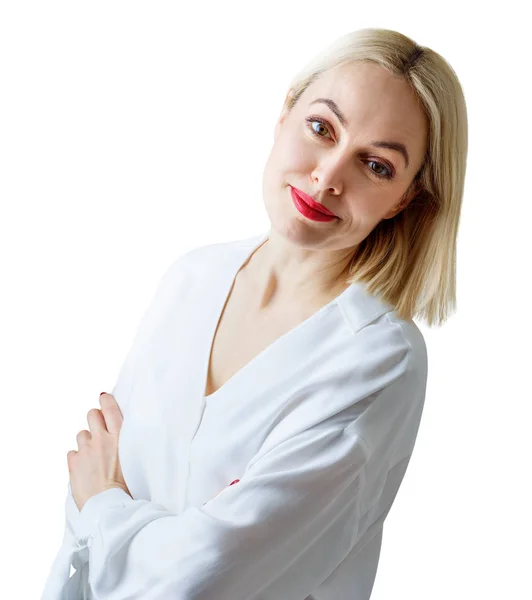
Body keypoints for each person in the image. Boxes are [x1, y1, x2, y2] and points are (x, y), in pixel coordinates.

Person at [41, 27, 468, 600]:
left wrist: (104, 506)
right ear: (285, 113)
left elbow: (211, 574)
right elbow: (80, 544)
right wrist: (114, 514)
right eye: (322, 128)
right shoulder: (192, 279)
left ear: (407, 198)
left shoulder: (379, 358)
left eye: (376, 166)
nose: (328, 176)